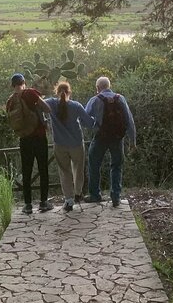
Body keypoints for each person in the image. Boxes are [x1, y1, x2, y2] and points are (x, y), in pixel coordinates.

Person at [85, 76, 136, 207]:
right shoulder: (121, 98)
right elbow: (129, 121)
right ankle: (116, 197)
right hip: (117, 138)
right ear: (109, 86)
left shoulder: (94, 100)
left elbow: (85, 119)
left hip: (100, 137)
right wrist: (133, 141)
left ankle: (95, 195)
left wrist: (94, 125)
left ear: (97, 88)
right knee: (117, 166)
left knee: (94, 164)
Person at [45, 81, 95, 212]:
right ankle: (78, 193)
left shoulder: (50, 103)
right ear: (69, 92)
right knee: (78, 169)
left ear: (56, 92)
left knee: (64, 171)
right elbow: (89, 123)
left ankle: (69, 199)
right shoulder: (76, 106)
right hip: (76, 144)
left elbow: (39, 105)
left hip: (60, 144)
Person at [7, 73, 54, 214]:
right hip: (38, 137)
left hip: (24, 139)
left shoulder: (10, 101)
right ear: (24, 82)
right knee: (43, 169)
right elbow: (47, 108)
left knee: (26, 172)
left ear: (12, 85)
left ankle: (27, 205)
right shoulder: (30, 93)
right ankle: (43, 202)